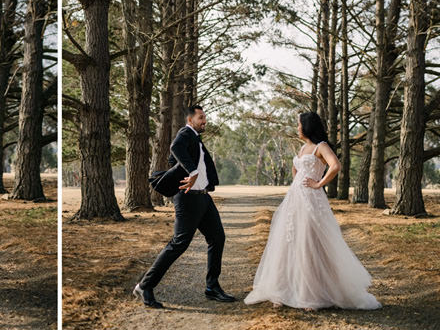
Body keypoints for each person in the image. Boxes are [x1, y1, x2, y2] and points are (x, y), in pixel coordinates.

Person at [244, 111, 381, 310]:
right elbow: (296, 171)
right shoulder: (302, 147)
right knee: (288, 243)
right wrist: (297, 182)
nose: (297, 128)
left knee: (309, 243)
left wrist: (319, 184)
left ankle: (311, 295)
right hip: (294, 200)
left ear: (307, 126)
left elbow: (335, 166)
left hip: (311, 200)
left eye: (299, 124)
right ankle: (285, 290)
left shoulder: (321, 146)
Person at [133, 105, 236, 308]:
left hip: (203, 197)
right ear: (190, 120)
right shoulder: (185, 133)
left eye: (205, 117)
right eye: (201, 117)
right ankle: (145, 285)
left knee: (217, 238)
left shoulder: (195, 138)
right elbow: (175, 148)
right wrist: (192, 171)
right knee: (179, 243)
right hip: (188, 197)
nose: (204, 121)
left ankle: (212, 287)